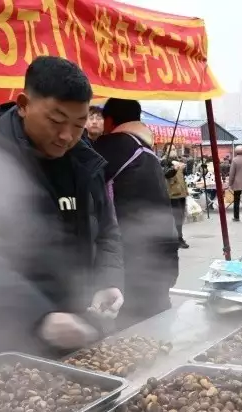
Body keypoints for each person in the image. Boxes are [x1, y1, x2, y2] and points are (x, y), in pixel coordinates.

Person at [0, 56, 123, 361]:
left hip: (80, 328)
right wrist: (38, 316)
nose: (67, 136)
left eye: (79, 124)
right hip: (9, 340)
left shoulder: (84, 160)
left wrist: (109, 279)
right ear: (24, 104)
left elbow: (107, 229)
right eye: (55, 121)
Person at [94, 99, 180, 326]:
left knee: (129, 337)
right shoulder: (148, 153)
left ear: (109, 120)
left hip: (127, 266)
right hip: (161, 262)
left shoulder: (106, 149)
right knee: (159, 330)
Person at [164, 150, 191, 249]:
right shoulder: (164, 161)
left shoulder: (179, 161)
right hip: (173, 194)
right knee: (176, 217)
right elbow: (166, 174)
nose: (174, 150)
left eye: (175, 149)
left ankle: (178, 237)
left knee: (180, 217)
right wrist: (174, 168)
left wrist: (183, 168)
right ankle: (177, 239)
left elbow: (184, 175)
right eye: (172, 149)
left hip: (181, 193)